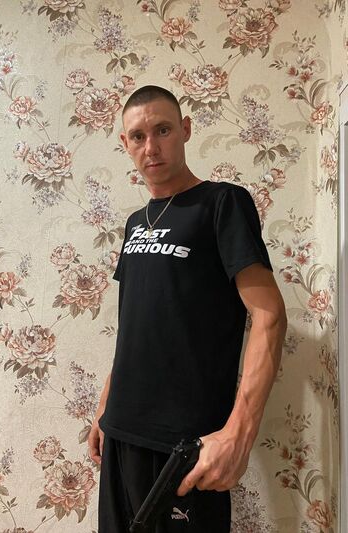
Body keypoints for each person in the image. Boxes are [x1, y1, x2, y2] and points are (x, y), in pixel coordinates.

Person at [88, 85, 287, 533]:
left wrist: (239, 433)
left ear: (185, 130)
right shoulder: (135, 223)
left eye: (162, 130)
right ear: (125, 144)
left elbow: (270, 316)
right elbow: (137, 325)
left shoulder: (222, 203)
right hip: (121, 432)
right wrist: (105, 408)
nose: (151, 147)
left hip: (183, 447)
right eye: (138, 136)